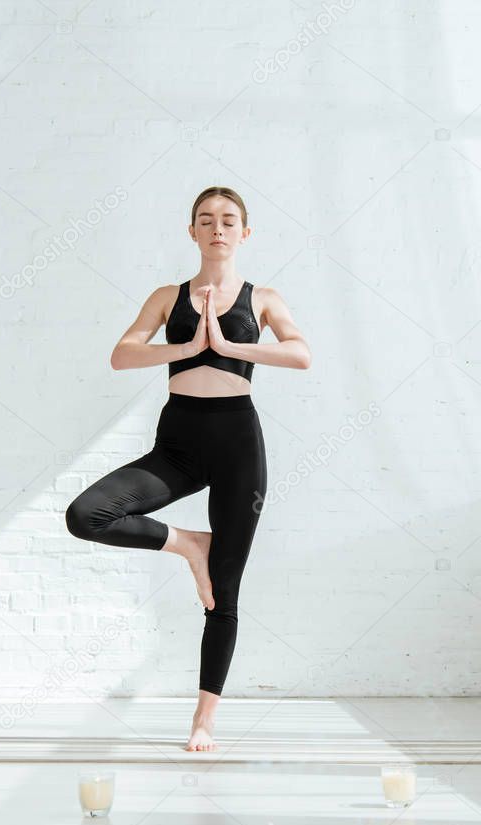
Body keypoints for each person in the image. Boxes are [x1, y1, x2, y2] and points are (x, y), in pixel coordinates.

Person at [65, 186, 311, 752]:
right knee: (87, 515)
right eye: (206, 220)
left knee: (223, 593)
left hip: (238, 447)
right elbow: (122, 354)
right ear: (192, 232)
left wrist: (228, 343)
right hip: (178, 442)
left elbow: (301, 354)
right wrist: (189, 345)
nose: (217, 228)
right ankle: (187, 544)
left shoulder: (264, 298)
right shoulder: (167, 296)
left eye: (229, 221)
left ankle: (204, 720)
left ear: (244, 233)